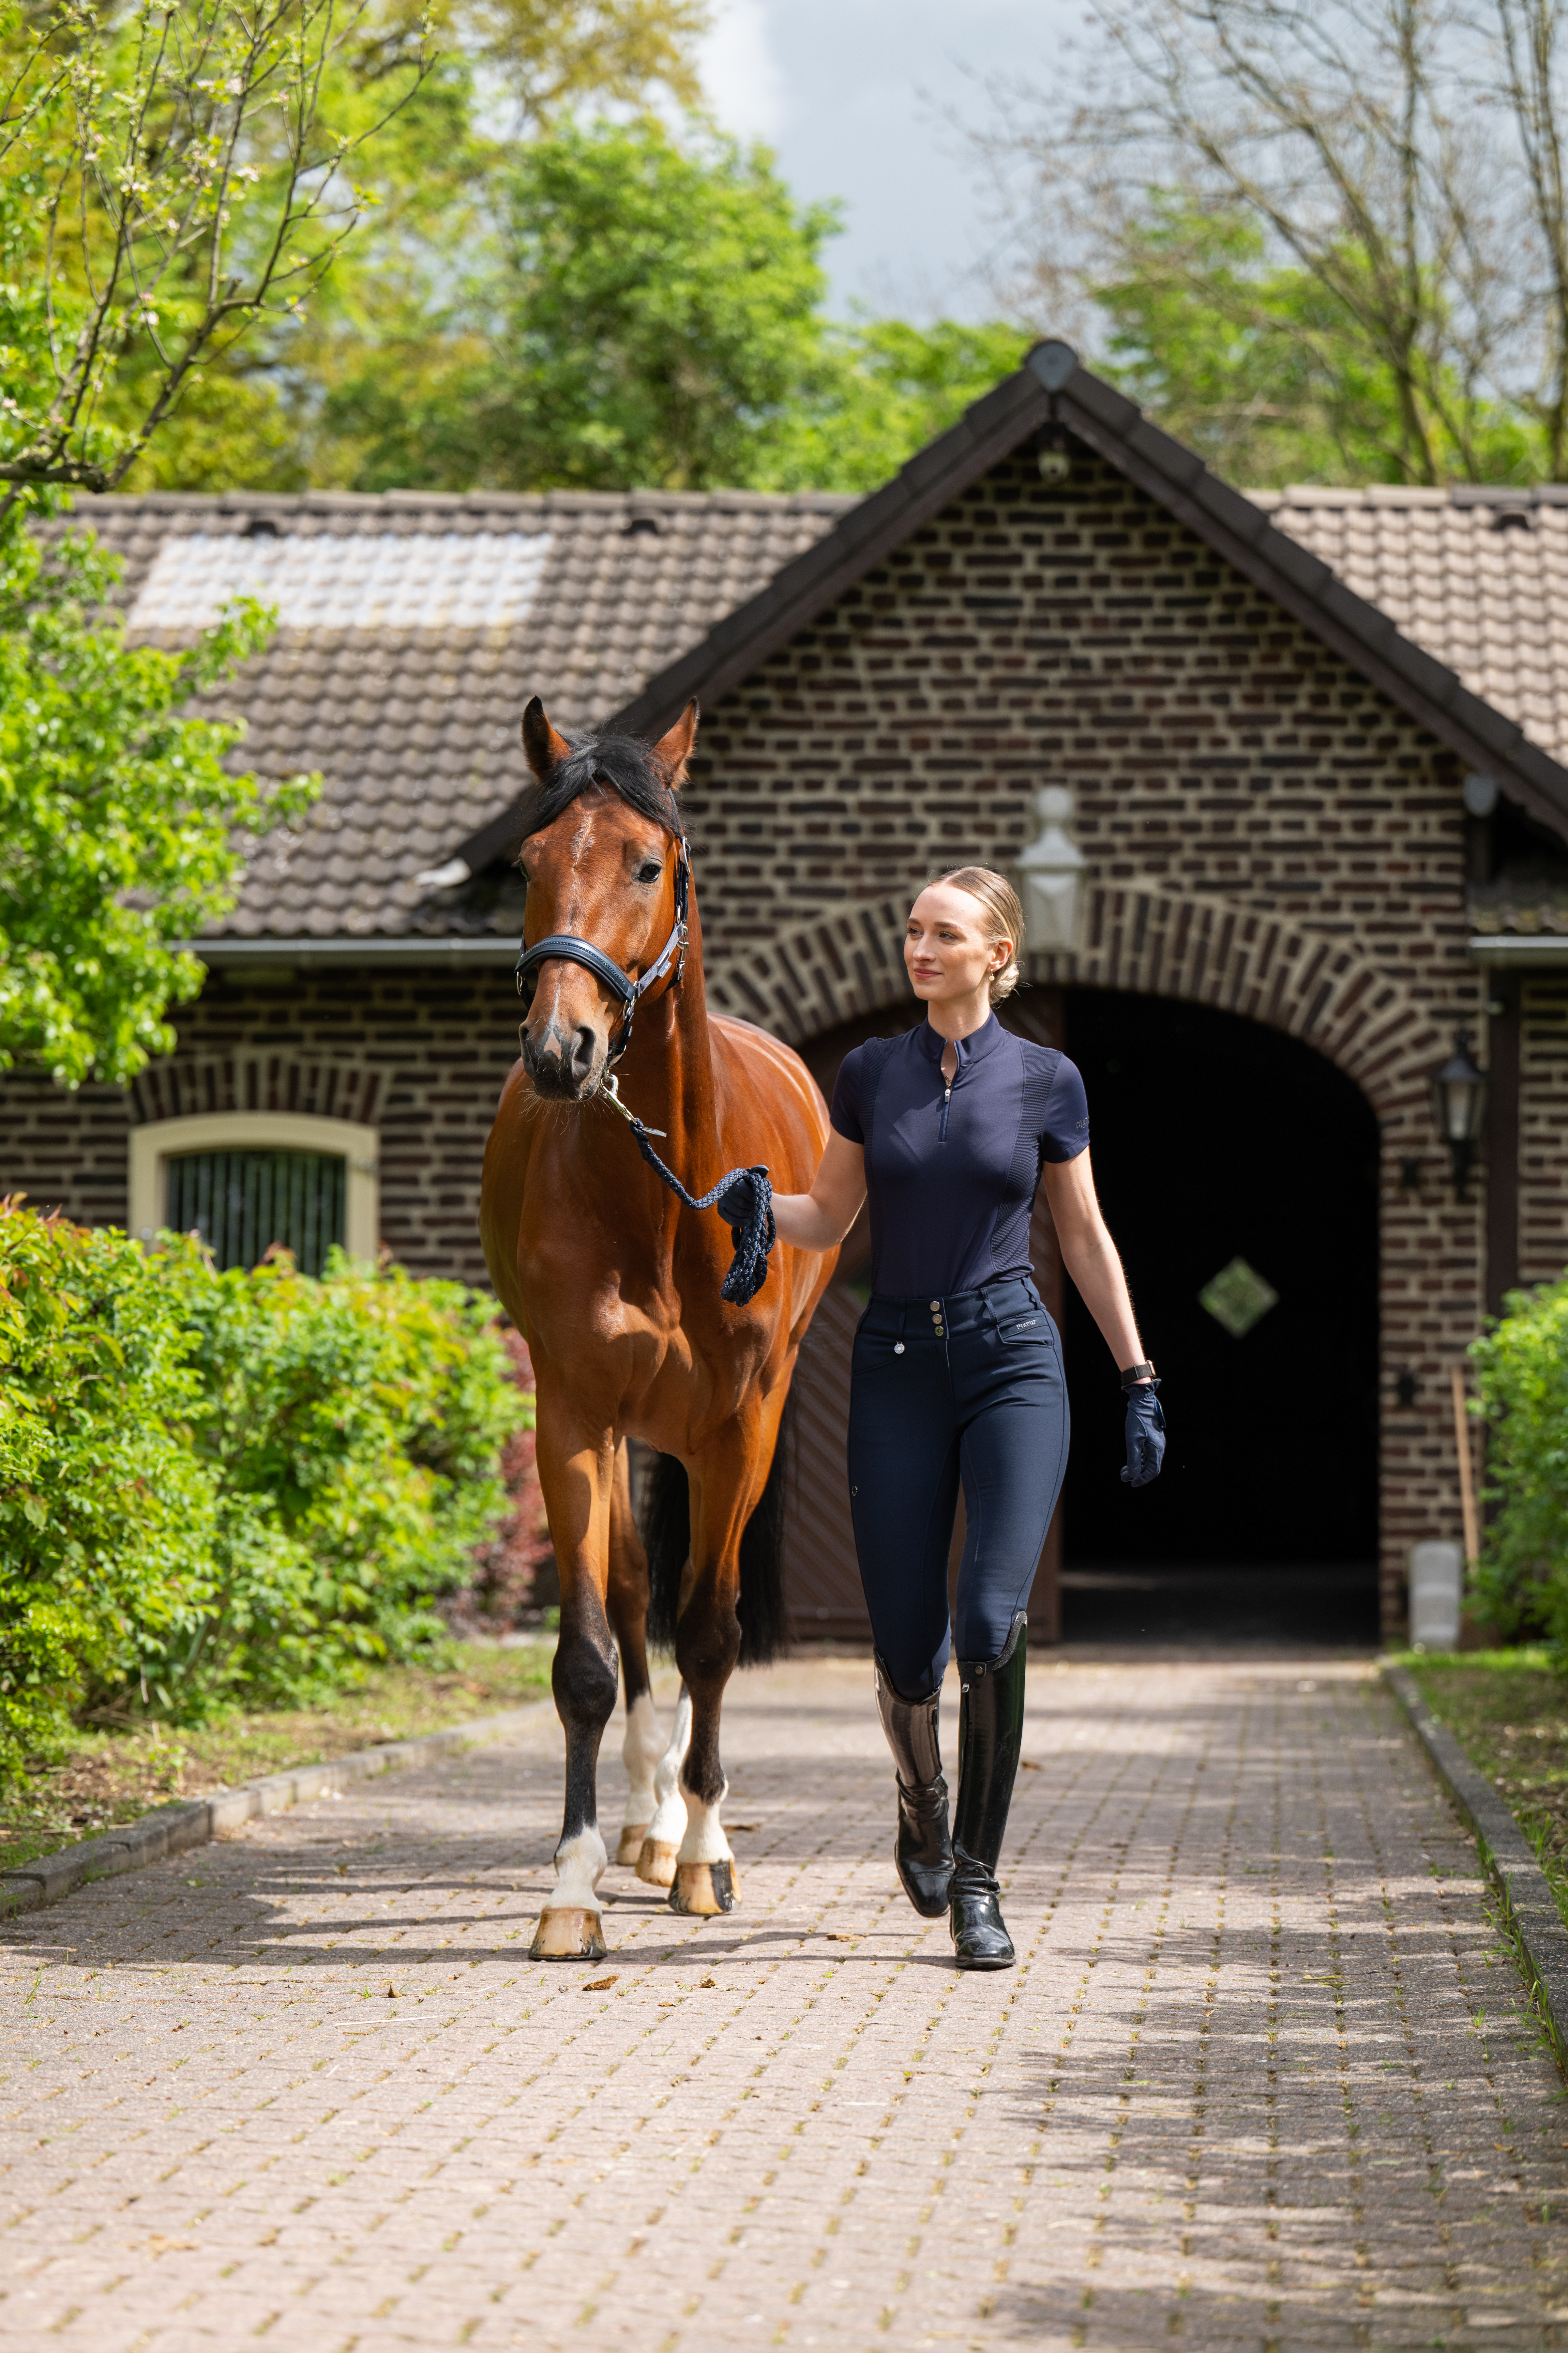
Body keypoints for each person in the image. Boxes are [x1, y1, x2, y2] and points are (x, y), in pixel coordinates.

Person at [770, 868, 1164, 1970]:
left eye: (945, 933)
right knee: (905, 1651)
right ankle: (921, 1796)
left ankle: (981, 1886)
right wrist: (750, 1197)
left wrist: (1137, 1375)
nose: (921, 947)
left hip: (1012, 1358)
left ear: (998, 953)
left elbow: (1082, 1236)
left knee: (989, 1622)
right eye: (912, 931)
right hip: (894, 1360)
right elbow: (826, 1215)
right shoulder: (870, 1073)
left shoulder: (1047, 1080)